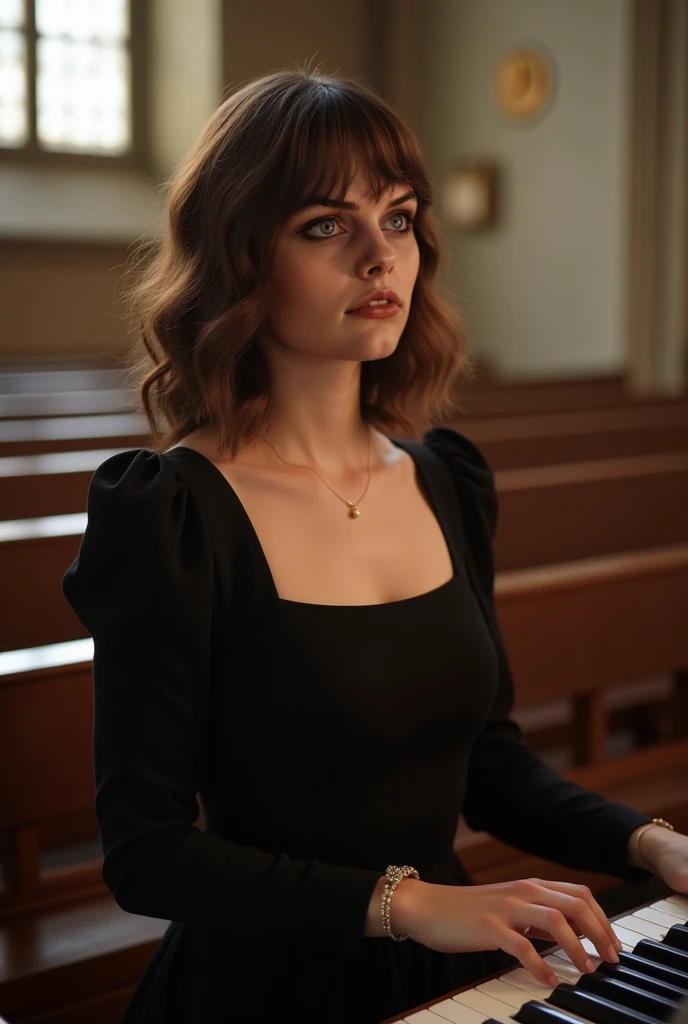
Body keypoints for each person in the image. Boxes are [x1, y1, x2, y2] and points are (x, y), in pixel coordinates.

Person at [62, 65, 688, 1023]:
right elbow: (147, 852)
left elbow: (489, 764)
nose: (379, 256)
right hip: (264, 983)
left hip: (456, 967)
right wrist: (412, 904)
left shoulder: (444, 479)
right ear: (239, 256)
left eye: (398, 218)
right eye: (326, 225)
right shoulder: (171, 513)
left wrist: (653, 846)